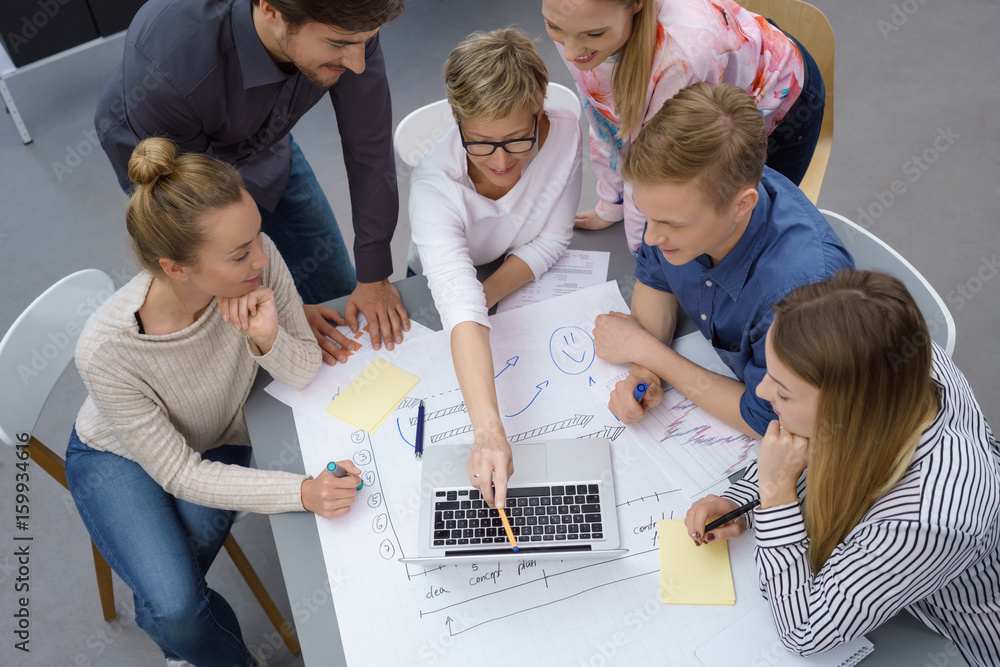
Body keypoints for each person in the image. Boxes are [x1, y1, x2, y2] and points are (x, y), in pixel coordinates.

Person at [65, 138, 362, 667]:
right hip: (117, 454)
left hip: (218, 434)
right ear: (175, 267)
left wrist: (268, 338)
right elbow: (179, 472)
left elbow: (303, 371)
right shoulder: (106, 348)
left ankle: (183, 646)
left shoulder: (259, 264)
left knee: (172, 606)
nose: (262, 257)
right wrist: (304, 492)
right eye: (240, 253)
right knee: (178, 606)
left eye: (256, 238)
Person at [684, 270, 1000, 667]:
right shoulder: (890, 357)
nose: (762, 393)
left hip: (946, 633)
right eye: (770, 372)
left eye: (782, 392)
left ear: (845, 412)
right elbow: (809, 442)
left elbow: (805, 632)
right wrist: (740, 500)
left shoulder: (930, 519)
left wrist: (776, 492)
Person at [95, 0, 411, 364]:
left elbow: (368, 146)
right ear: (271, 10)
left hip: (263, 143)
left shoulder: (349, 24)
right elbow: (209, 232)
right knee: (241, 327)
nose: (358, 64)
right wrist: (287, 315)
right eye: (339, 45)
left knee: (337, 298)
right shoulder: (166, 67)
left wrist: (374, 276)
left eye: (366, 43)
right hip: (173, 161)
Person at [592, 82, 852, 438]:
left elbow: (769, 421)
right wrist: (643, 373)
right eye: (646, 214)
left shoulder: (802, 296)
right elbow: (656, 279)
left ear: (742, 205)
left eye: (672, 224)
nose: (650, 237)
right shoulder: (689, 199)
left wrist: (648, 351)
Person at [408, 28, 583, 507]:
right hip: (439, 282)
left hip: (505, 272)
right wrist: (488, 431)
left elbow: (554, 238)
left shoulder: (564, 131)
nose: (502, 162)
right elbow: (455, 296)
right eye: (481, 142)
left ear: (540, 112)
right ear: (457, 120)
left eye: (517, 140)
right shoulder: (432, 186)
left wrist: (485, 297)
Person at [541, 0, 826, 252]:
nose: (570, 52)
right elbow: (605, 122)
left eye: (594, 34)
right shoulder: (575, 27)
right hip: (714, 71)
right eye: (553, 27)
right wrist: (610, 205)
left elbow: (655, 169)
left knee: (741, 226)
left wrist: (643, 253)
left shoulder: (682, 58)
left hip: (777, 97)